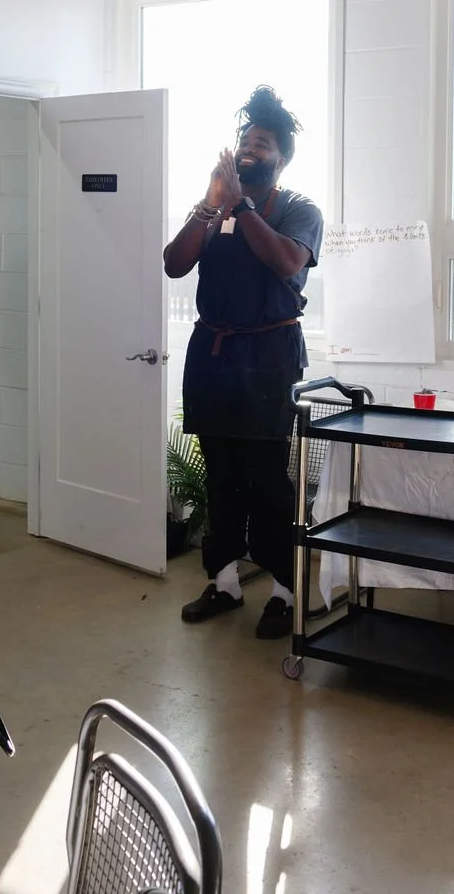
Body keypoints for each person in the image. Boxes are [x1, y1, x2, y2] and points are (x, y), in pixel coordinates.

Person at [164, 86, 323, 640]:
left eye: (262, 144)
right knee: (222, 477)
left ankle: (284, 590)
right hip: (213, 356)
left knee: (267, 480)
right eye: (245, 142)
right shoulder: (213, 210)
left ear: (282, 159)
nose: (250, 149)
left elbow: (286, 261)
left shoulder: (299, 209)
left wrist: (243, 206)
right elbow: (174, 264)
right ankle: (225, 582)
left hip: (269, 359)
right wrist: (212, 204)